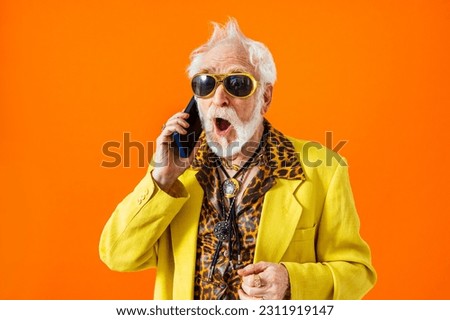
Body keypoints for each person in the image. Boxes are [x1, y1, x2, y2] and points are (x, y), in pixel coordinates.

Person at [99, 19, 376, 300]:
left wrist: (291, 281)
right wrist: (162, 178)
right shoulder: (174, 173)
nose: (219, 98)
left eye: (238, 83)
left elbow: (357, 272)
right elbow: (118, 256)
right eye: (205, 83)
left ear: (265, 97)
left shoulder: (323, 170)